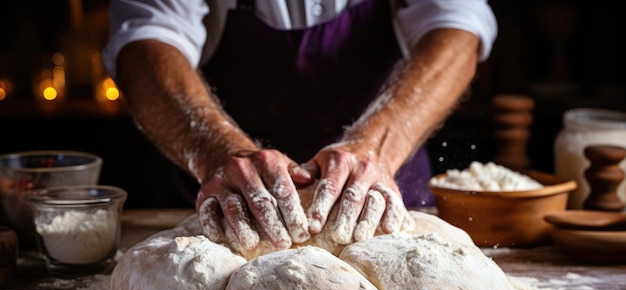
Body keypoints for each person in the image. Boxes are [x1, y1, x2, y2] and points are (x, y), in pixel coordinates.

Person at [103, 0, 497, 252]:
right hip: (226, 200)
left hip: (379, 186)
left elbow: (457, 26)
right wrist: (217, 152)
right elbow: (146, 40)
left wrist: (375, 148)